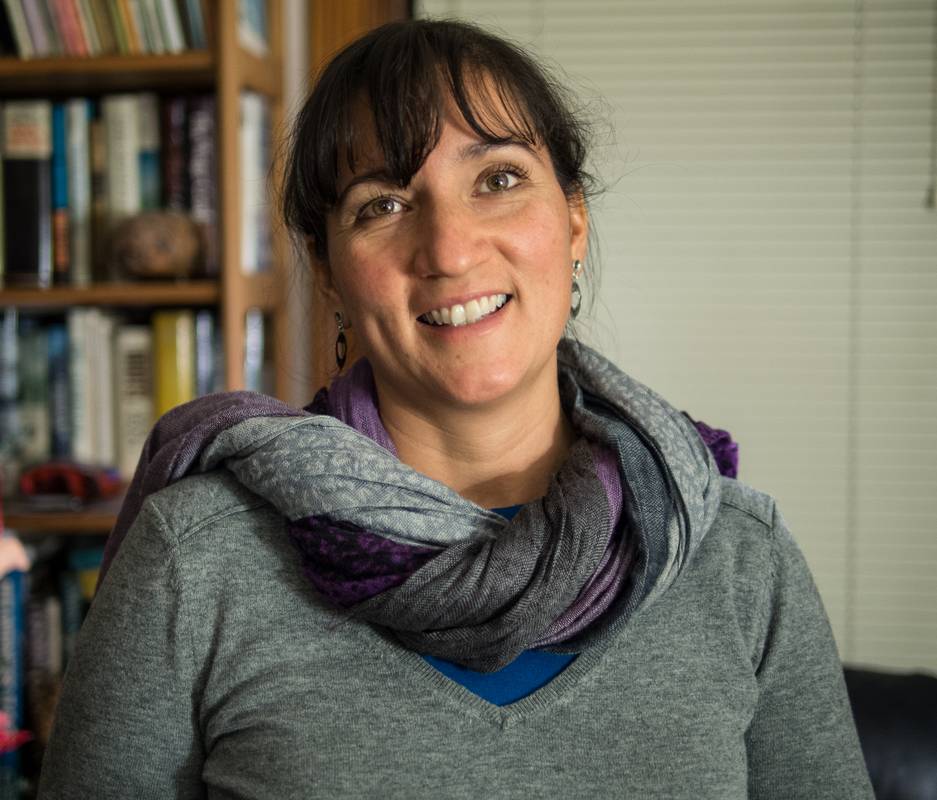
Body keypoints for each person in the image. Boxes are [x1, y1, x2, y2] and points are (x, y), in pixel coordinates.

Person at [38, 19, 874, 799]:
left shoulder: (740, 560)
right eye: (384, 205)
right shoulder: (195, 561)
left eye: (498, 179)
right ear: (328, 273)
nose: (447, 248)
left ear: (573, 221)